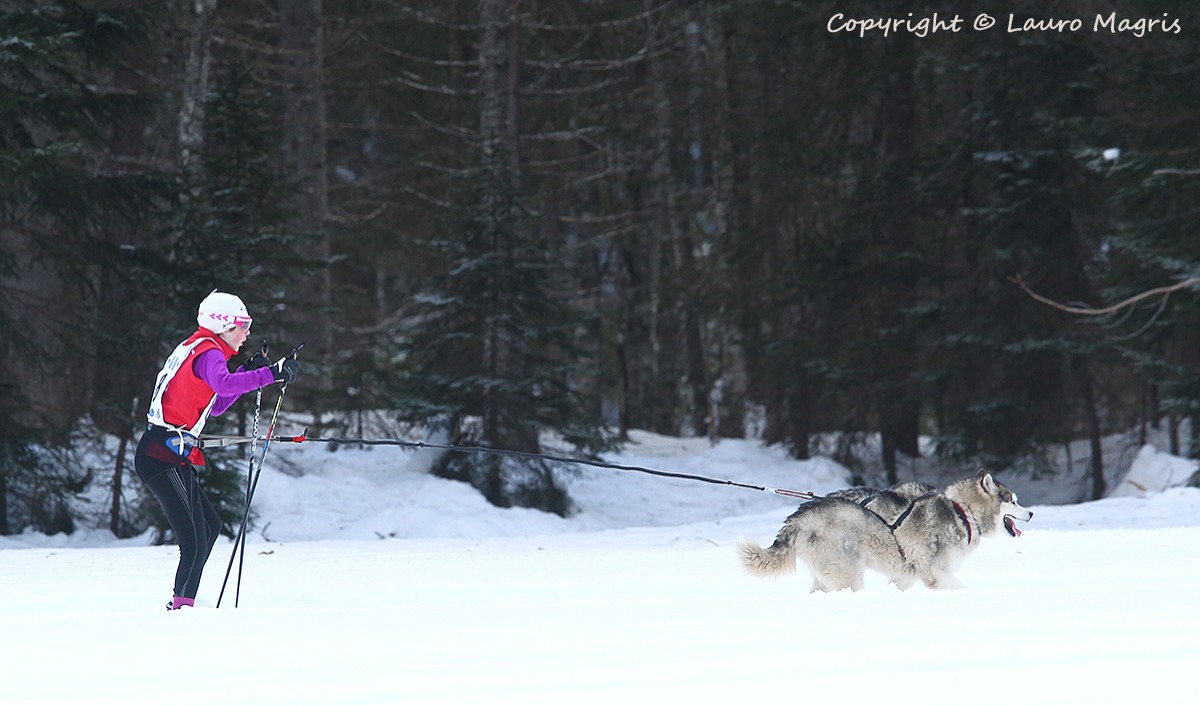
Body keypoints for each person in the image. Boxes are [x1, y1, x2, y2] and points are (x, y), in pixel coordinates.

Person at [134, 290, 300, 610]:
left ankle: (184, 603)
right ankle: (181, 609)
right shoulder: (209, 352)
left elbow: (217, 403)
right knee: (194, 541)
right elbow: (223, 385)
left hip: (168, 454)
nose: (247, 333)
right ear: (224, 325)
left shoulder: (202, 348)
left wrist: (247, 372)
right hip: (161, 456)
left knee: (210, 528)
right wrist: (271, 374)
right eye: (242, 325)